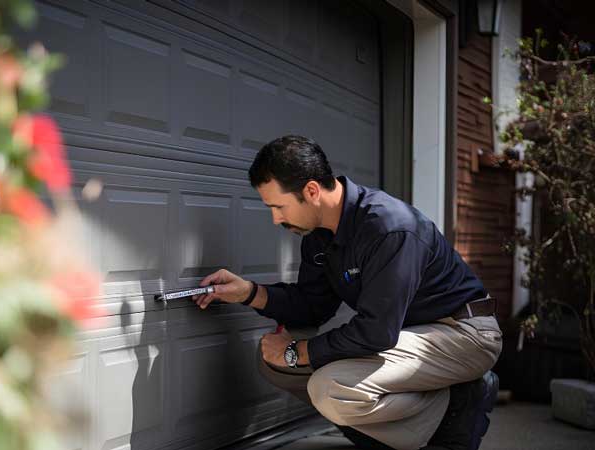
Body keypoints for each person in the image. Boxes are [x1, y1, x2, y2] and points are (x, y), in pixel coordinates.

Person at [191, 135, 502, 450]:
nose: (275, 219)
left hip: (463, 333)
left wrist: (295, 351)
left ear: (311, 191)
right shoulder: (319, 238)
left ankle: (460, 401)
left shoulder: (389, 228)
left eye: (278, 207)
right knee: (274, 364)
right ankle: (400, 432)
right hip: (407, 337)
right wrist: (248, 292)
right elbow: (312, 307)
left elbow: (376, 331)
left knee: (329, 388)